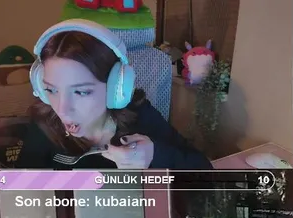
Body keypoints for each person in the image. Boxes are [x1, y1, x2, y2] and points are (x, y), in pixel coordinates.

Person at [16, 20, 211, 170]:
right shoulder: (44, 121)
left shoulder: (139, 114)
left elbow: (204, 172)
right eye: (51, 90)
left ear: (116, 87)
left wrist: (155, 155)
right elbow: (19, 193)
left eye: (81, 92)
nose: (62, 109)